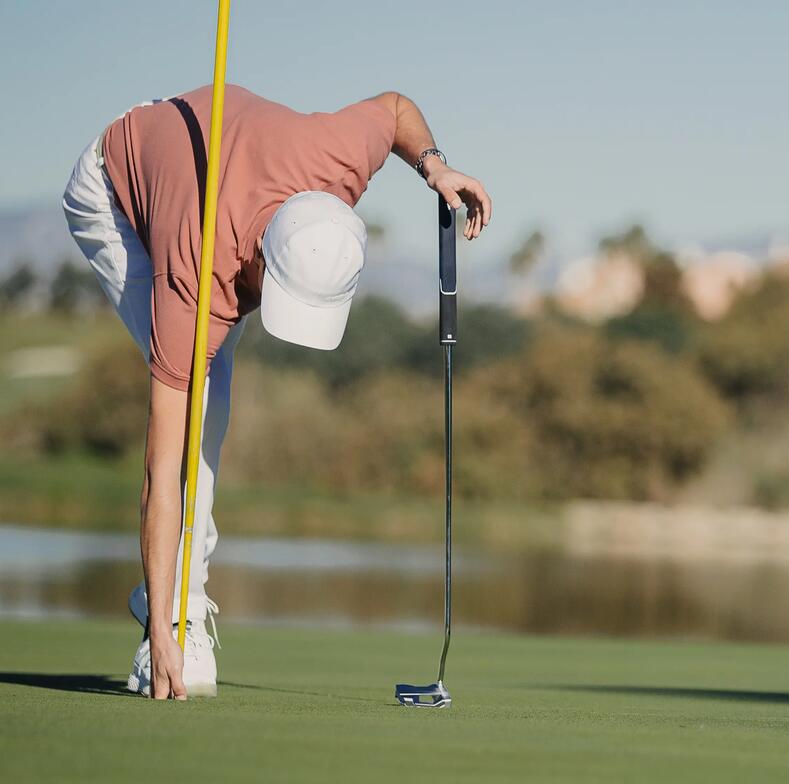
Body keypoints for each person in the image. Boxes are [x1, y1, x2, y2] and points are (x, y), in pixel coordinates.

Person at [60, 85, 491, 700]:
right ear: (260, 257)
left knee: (216, 366)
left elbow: (395, 110)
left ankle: (176, 598)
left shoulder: (336, 163)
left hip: (212, 162)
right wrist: (158, 629)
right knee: (200, 392)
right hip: (115, 188)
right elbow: (163, 469)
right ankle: (177, 612)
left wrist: (435, 166)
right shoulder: (195, 270)